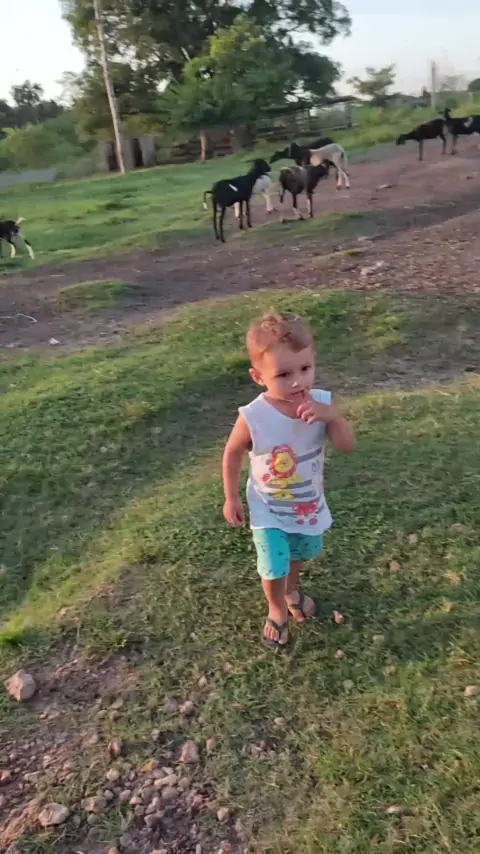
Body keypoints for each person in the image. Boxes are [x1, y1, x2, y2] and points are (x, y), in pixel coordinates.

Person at [222, 311, 355, 648]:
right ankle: (277, 607)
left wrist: (333, 417)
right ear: (258, 376)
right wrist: (231, 497)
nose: (298, 381)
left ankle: (291, 590)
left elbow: (346, 446)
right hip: (267, 508)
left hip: (307, 506)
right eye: (283, 374)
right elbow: (233, 452)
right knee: (272, 564)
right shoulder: (255, 416)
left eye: (305, 369)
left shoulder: (321, 404)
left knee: (296, 555)